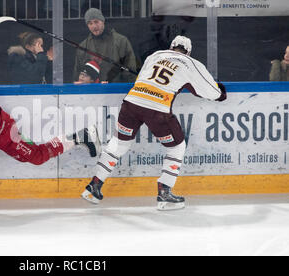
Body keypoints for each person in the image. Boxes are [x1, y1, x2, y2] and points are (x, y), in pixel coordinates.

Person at [81, 35, 227, 210]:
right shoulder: (190, 63)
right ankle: (164, 193)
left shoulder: (155, 55)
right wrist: (221, 93)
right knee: (176, 146)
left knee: (119, 143)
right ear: (188, 51)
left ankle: (94, 187)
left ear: (171, 46)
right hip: (157, 110)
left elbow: (142, 78)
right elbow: (210, 91)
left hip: (132, 103)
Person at [73, 8, 137, 83]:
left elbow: (130, 71)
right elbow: (77, 75)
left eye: (96, 22)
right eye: (90, 23)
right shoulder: (83, 46)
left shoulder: (121, 41)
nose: (94, 26)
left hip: (116, 91)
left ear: (103, 21)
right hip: (91, 92)